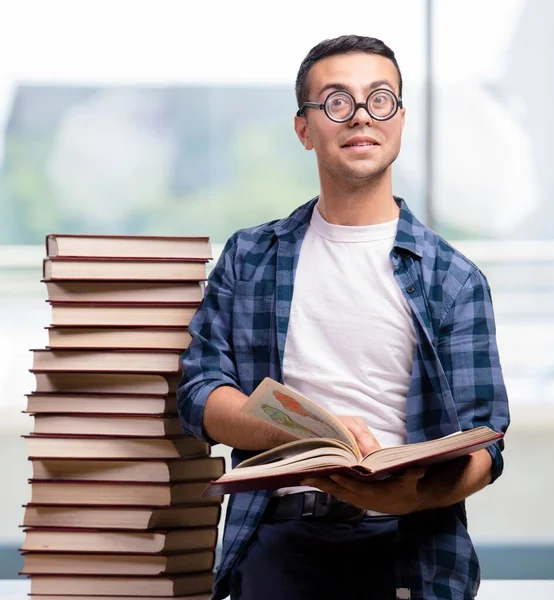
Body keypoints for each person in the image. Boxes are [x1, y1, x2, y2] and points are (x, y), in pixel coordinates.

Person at [177, 34, 510, 600]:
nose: (360, 116)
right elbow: (199, 394)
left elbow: (487, 442)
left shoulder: (455, 279)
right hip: (280, 537)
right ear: (305, 129)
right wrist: (304, 429)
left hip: (411, 541)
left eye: (379, 100)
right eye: (336, 101)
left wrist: (414, 497)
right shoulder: (250, 257)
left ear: (400, 121)